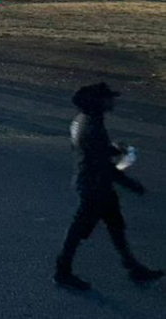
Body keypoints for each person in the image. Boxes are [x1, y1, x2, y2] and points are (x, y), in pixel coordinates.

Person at [54, 82, 162, 290]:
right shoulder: (92, 125)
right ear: (98, 102)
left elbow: (92, 151)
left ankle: (132, 266)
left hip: (94, 184)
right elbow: (102, 164)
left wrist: (112, 149)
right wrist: (132, 184)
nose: (112, 101)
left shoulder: (83, 120)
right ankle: (62, 271)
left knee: (115, 227)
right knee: (79, 231)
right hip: (94, 186)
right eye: (108, 98)